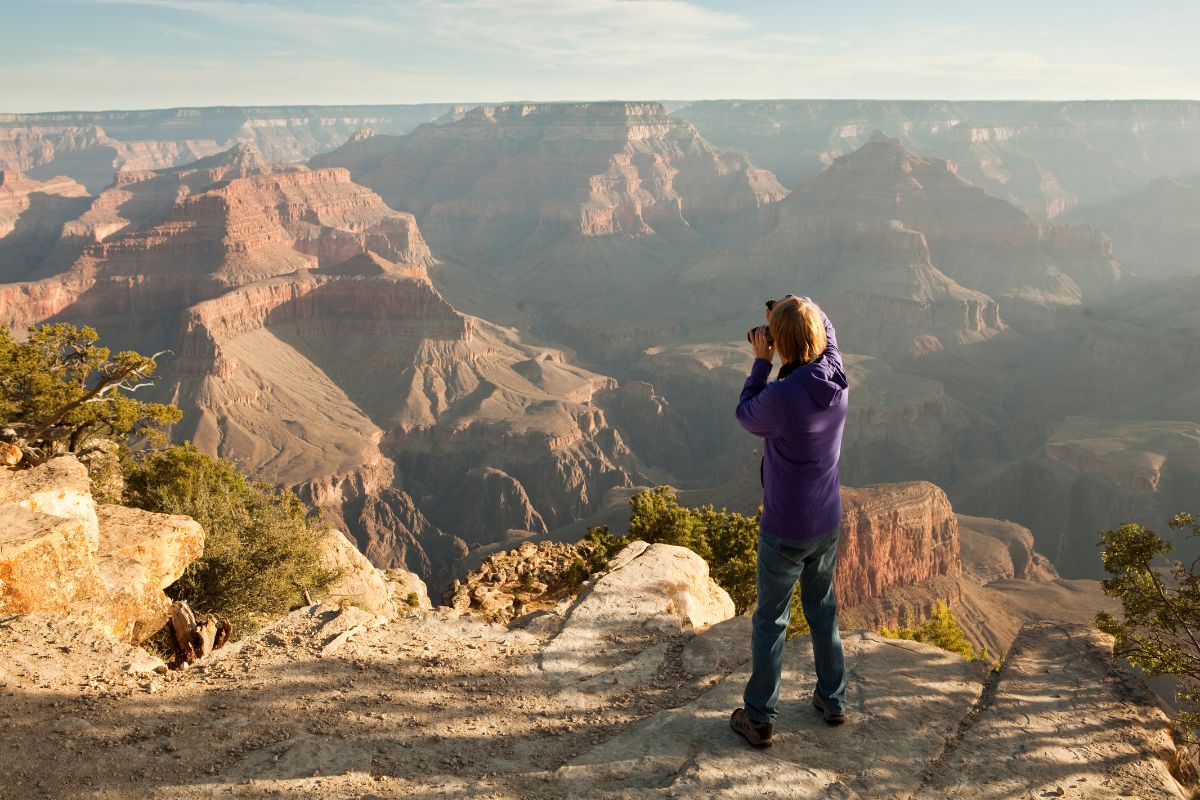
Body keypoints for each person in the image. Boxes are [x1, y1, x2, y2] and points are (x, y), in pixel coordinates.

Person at [729, 295, 849, 748]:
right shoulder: (835, 375)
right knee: (823, 609)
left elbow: (746, 413)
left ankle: (759, 716)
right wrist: (795, 311)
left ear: (780, 344)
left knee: (772, 620)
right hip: (827, 521)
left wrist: (761, 361)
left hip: (784, 528)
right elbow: (828, 330)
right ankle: (833, 699)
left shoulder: (781, 398)